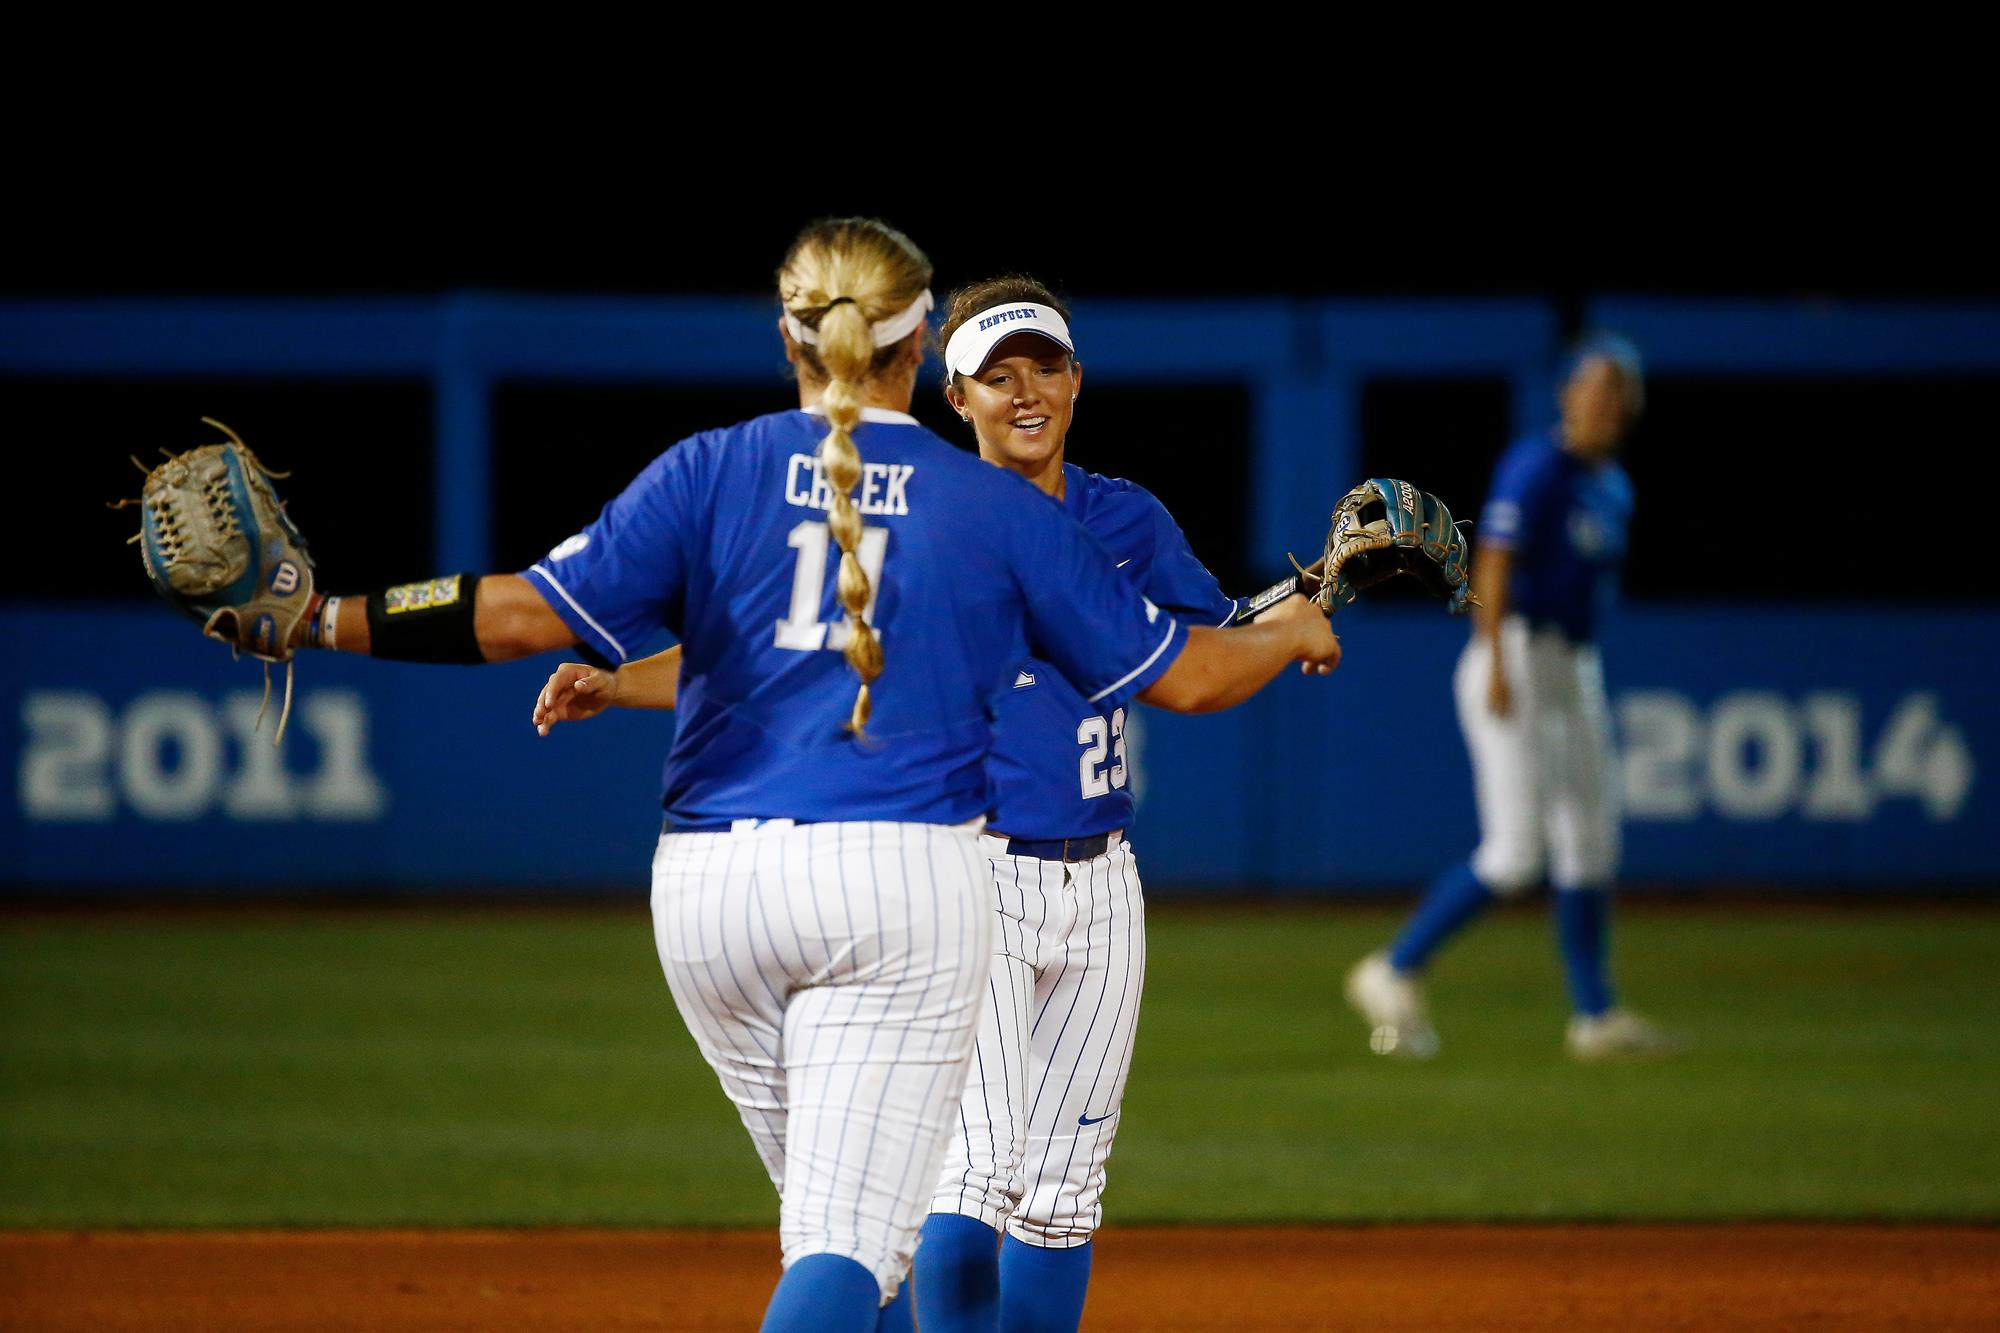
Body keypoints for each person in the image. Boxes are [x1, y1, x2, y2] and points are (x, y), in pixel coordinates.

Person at [369, 217, 1340, 1333]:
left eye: (1046, 368)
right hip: (969, 871)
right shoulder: (942, 509)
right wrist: (629, 680)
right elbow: (792, 647)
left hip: (1101, 878)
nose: (1025, 393)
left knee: (1064, 1200)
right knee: (961, 1196)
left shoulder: (1128, 518)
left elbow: (1203, 644)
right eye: (995, 375)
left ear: (1078, 379)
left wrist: (1285, 621)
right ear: (951, 390)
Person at [1344, 333, 1683, 1063]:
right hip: (1519, 651)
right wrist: (1496, 655)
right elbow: (1494, 558)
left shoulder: (1612, 482)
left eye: (1618, 394)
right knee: (1517, 850)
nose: (1606, 404)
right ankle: (1392, 967)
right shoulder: (1539, 465)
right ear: (1567, 396)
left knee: (1591, 839)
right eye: (1594, 389)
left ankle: (1595, 1015)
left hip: (1572, 660)